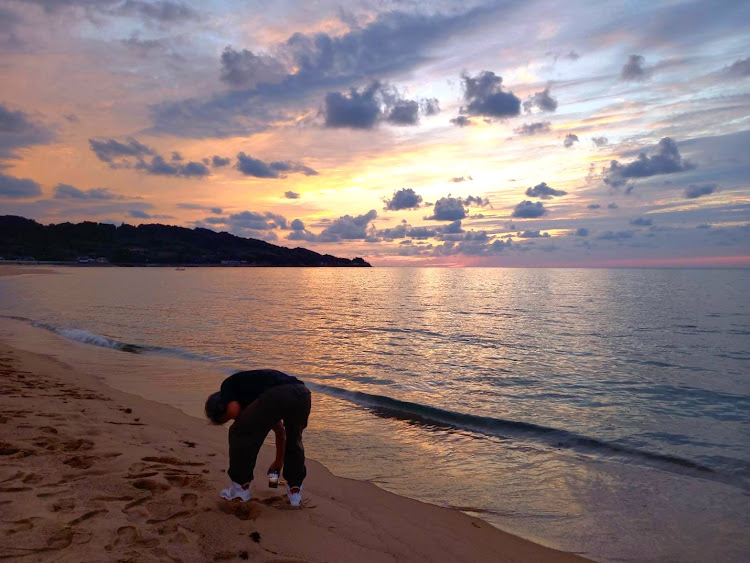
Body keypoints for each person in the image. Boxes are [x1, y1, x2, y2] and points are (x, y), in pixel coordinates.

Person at [205, 369, 311, 507]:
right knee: (294, 440)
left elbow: (233, 410)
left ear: (221, 406)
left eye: (226, 419)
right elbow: (280, 432)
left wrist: (239, 421)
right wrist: (278, 461)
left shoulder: (227, 387)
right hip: (302, 394)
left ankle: (239, 489)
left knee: (237, 431)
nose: (232, 419)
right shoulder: (255, 392)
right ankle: (294, 493)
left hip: (279, 394)